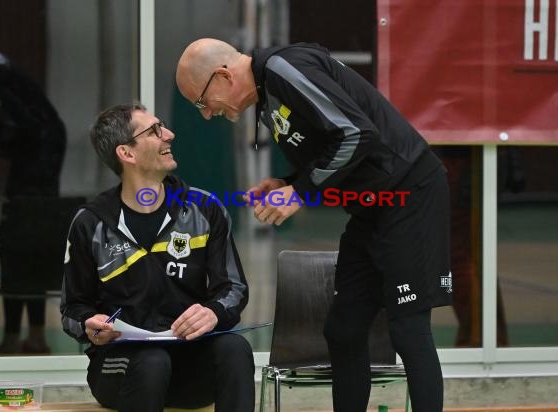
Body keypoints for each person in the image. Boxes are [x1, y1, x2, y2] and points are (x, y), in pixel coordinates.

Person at [176, 39, 452, 412]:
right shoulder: (267, 93)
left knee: (408, 328)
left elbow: (355, 132)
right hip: (370, 209)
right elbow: (329, 145)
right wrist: (289, 182)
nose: (207, 114)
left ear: (223, 75)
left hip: (408, 195)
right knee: (344, 329)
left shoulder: (281, 68)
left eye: (201, 102)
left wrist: (301, 192)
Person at [60, 103, 255, 412]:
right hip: (121, 367)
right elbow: (72, 309)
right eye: (154, 131)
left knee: (235, 348)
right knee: (152, 361)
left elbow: (234, 289)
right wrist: (87, 324)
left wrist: (214, 312)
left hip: (190, 365)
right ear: (127, 153)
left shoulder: (205, 209)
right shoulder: (90, 222)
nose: (169, 134)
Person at [0, 40, 66, 354]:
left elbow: (19, 126)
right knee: (25, 239)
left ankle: (23, 337)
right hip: (40, 144)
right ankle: (31, 335)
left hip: (41, 150)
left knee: (20, 240)